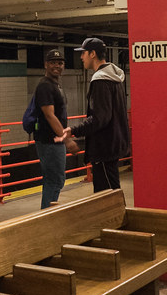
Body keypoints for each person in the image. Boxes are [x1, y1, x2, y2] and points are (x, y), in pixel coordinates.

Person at [58, 37, 130, 192]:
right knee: (112, 192)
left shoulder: (100, 81)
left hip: (104, 147)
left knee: (107, 196)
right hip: (114, 144)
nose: (81, 57)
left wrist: (73, 130)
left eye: (83, 53)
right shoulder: (114, 79)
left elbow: (100, 118)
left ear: (92, 54)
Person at [33, 48, 73, 208]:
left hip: (54, 141)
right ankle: (47, 216)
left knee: (55, 180)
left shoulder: (54, 85)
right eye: (53, 63)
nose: (57, 65)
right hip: (50, 142)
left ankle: (48, 214)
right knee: (55, 180)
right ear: (45, 65)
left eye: (60, 63)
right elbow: (50, 115)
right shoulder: (45, 86)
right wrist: (67, 140)